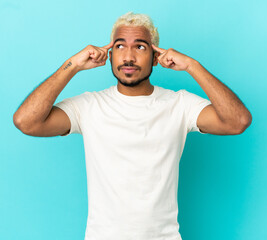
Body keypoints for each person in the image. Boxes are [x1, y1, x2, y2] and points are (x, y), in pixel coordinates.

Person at [13, 11, 252, 240]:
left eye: (139, 46)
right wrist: (72, 65)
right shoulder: (89, 106)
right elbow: (26, 121)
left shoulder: (179, 104)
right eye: (119, 46)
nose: (128, 56)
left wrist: (192, 65)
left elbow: (237, 121)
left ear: (156, 57)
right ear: (110, 54)